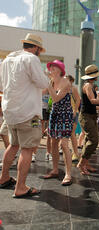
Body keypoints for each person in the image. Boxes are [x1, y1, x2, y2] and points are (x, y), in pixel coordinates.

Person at [0, 33, 49, 197]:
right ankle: (20, 187)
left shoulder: (7, 60)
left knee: (12, 146)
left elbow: (2, 85)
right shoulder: (31, 59)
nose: (39, 53)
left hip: (10, 112)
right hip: (27, 112)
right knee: (27, 149)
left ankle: (4, 177)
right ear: (35, 48)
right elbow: (43, 83)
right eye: (39, 50)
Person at [43, 60, 73, 186]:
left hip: (65, 115)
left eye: (54, 68)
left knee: (64, 144)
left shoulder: (65, 81)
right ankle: (55, 170)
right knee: (54, 142)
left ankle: (68, 174)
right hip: (54, 114)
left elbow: (55, 98)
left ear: (61, 70)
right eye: (51, 68)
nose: (51, 70)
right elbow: (41, 92)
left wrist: (47, 83)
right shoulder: (51, 82)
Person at [77, 64, 99, 175]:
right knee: (94, 141)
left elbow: (93, 102)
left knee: (88, 140)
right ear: (94, 76)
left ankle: (86, 163)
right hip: (86, 116)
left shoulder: (90, 85)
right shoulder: (88, 86)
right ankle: (81, 164)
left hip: (91, 115)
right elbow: (92, 100)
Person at [66, 75, 81, 162]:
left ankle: (75, 153)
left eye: (67, 79)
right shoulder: (62, 88)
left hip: (72, 113)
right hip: (65, 113)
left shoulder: (73, 88)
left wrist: (75, 111)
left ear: (71, 81)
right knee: (65, 134)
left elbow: (78, 100)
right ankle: (69, 151)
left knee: (72, 134)